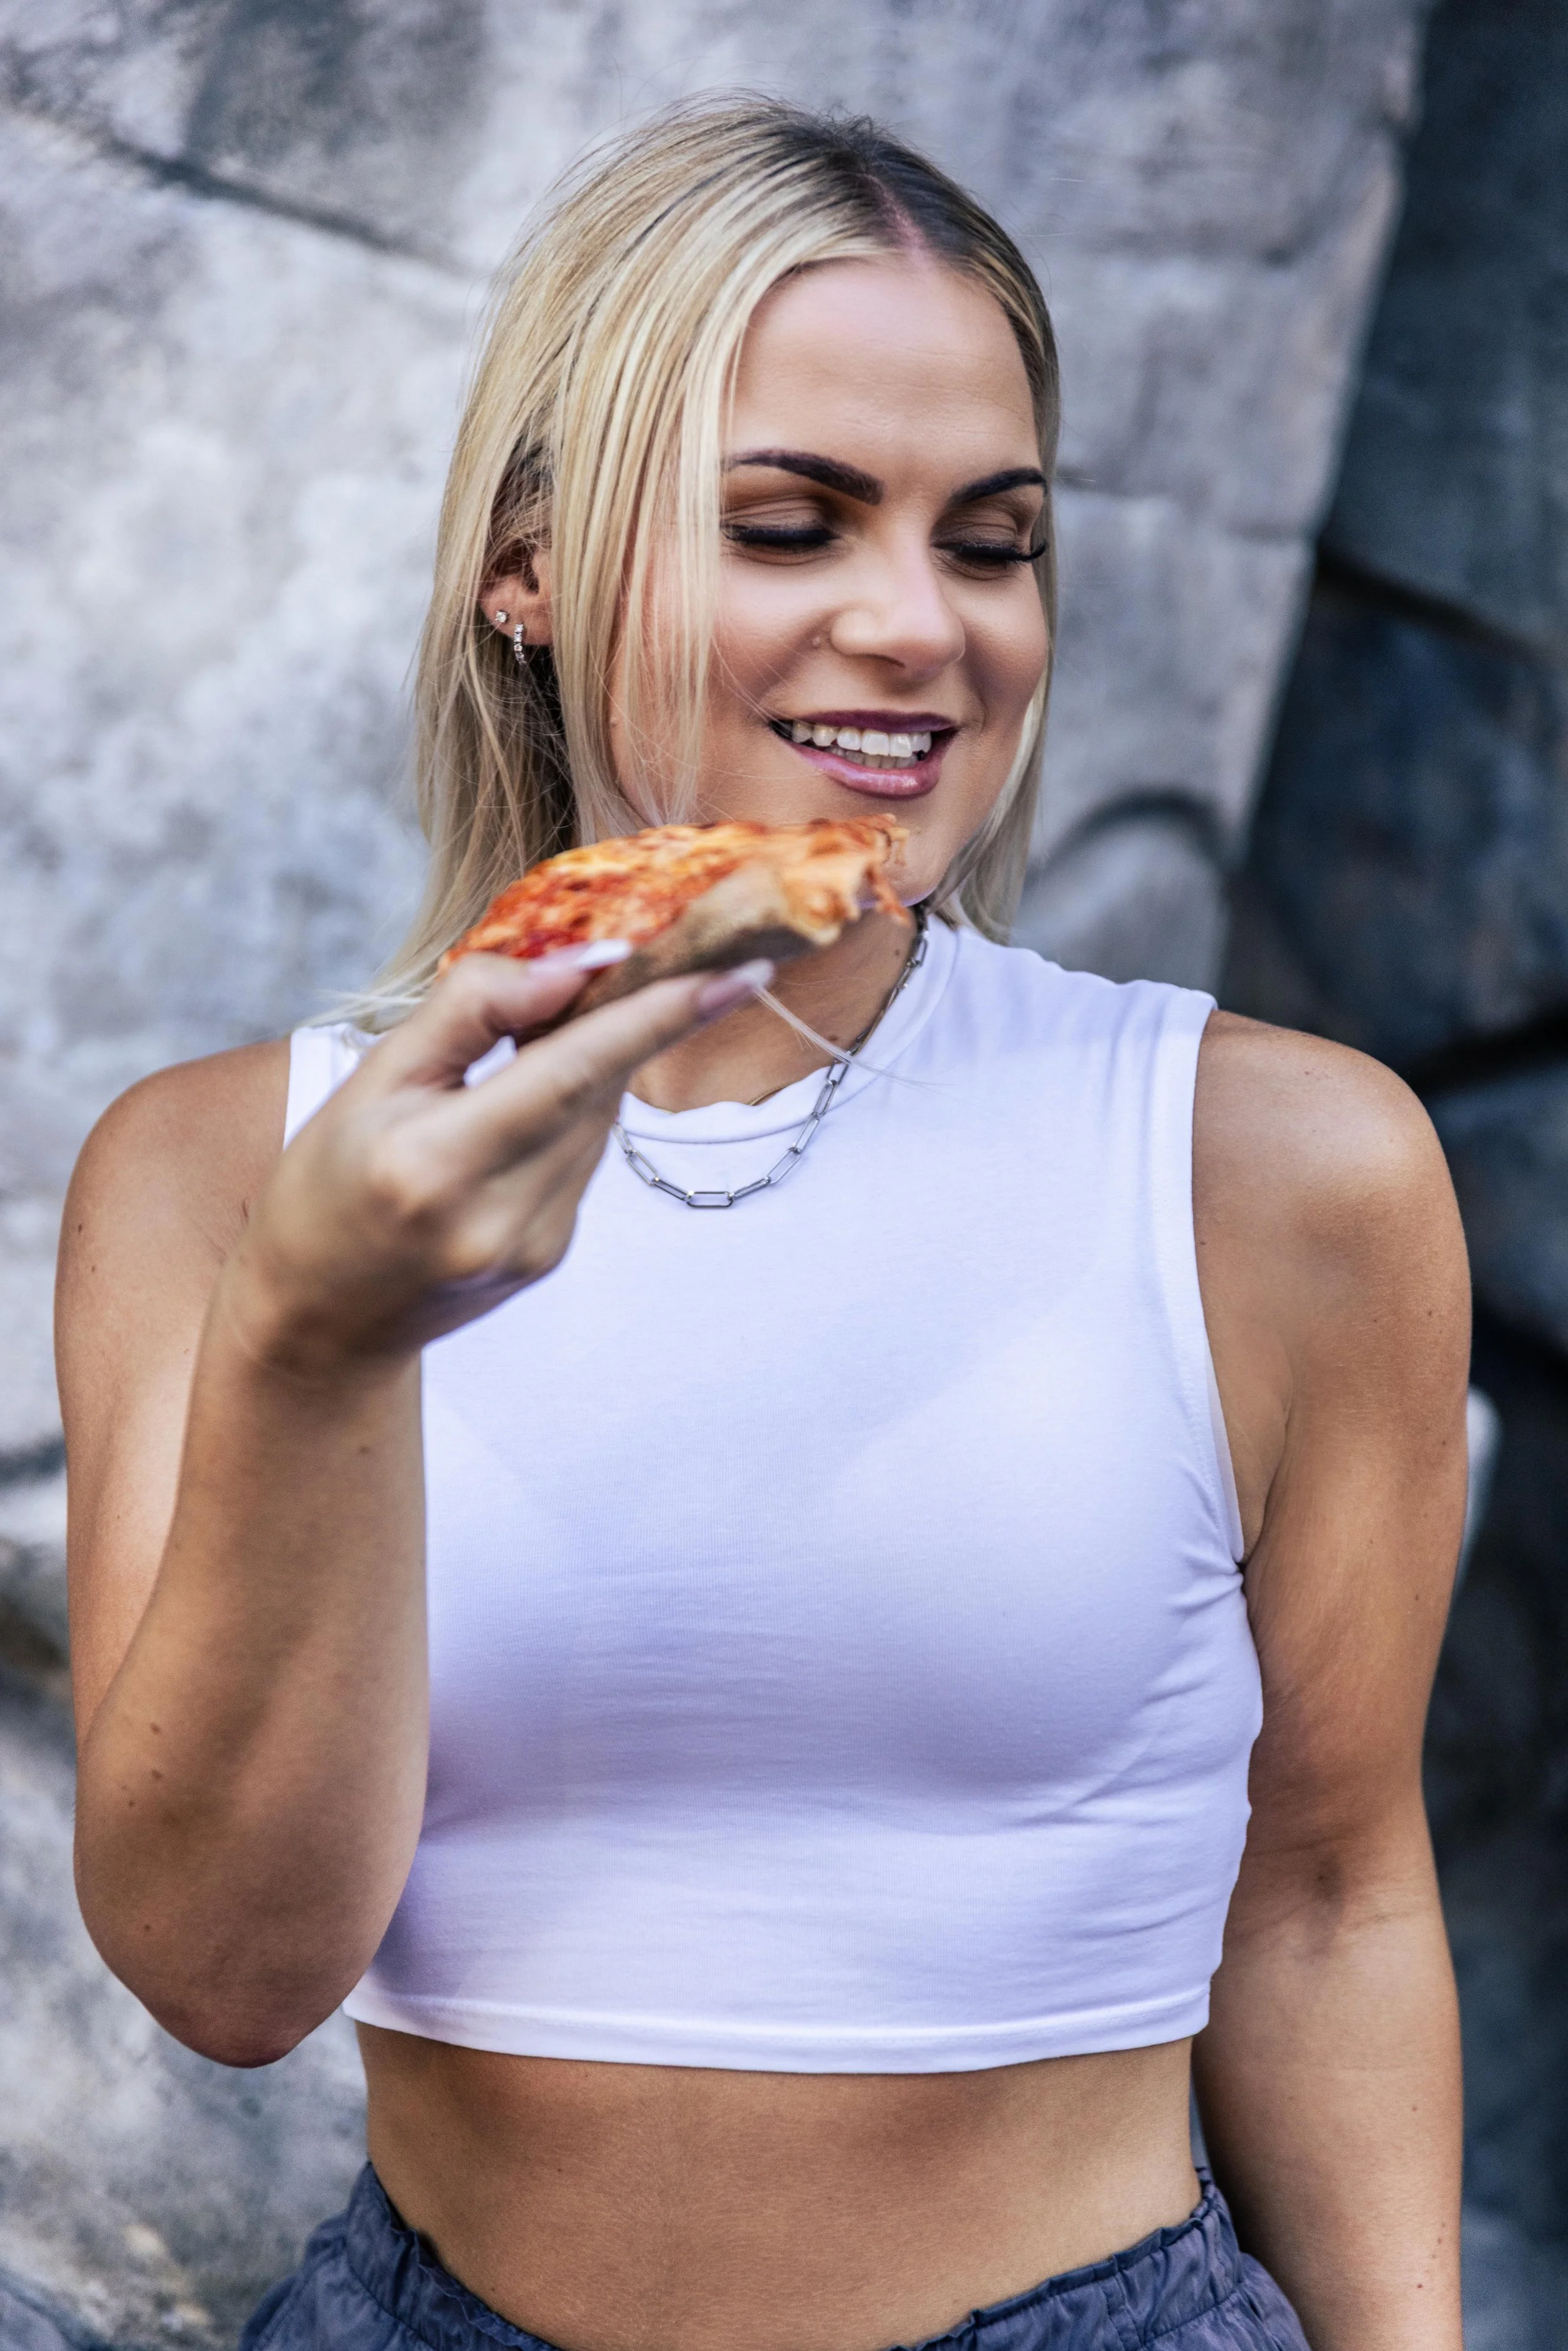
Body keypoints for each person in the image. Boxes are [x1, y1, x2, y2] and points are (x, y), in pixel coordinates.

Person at [58, 99, 1468, 2351]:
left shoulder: (1277, 1168)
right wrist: (319, 1341)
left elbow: (1324, 1898)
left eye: (990, 541)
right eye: (787, 523)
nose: (915, 626)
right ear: (524, 568)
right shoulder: (225, 1177)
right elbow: (227, 1977)